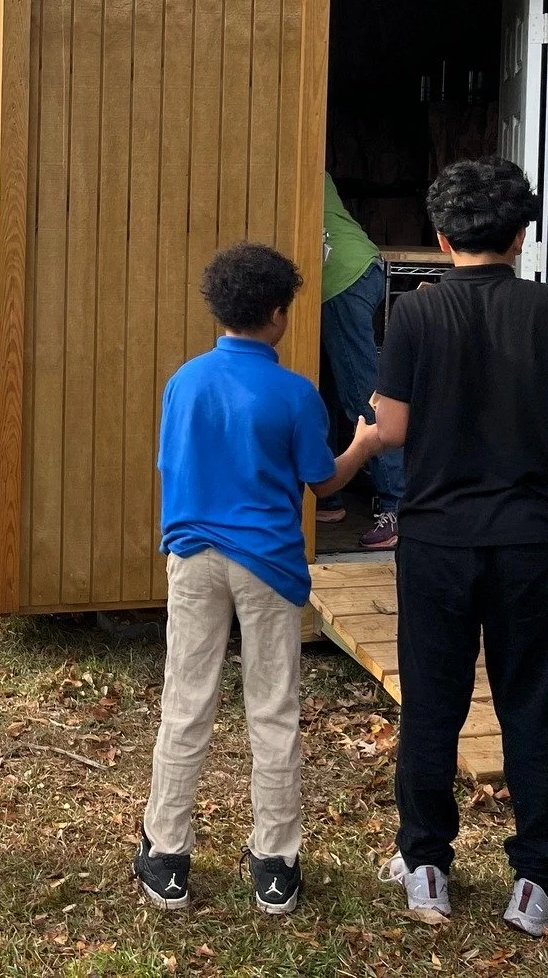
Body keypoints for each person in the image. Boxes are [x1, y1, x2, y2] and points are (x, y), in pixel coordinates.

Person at [374, 157, 548, 936]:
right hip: (530, 543)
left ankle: (426, 865)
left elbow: (393, 429)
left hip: (436, 541)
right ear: (524, 235)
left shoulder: (413, 315)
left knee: (433, 703)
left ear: (441, 237)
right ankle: (541, 879)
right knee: (531, 705)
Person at [132, 242, 379, 918]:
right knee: (273, 710)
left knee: (186, 702)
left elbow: (171, 463)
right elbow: (323, 479)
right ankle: (274, 860)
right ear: (276, 313)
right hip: (269, 564)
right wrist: (365, 445)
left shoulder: (184, 381)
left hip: (193, 558)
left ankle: (165, 851)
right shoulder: (295, 393)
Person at [315, 173, 407, 549]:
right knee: (321, 390)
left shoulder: (289, 157)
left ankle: (398, 507)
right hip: (352, 268)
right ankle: (327, 497)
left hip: (341, 275)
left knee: (360, 394)